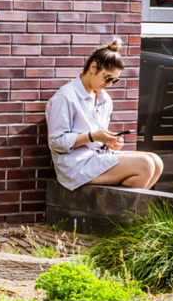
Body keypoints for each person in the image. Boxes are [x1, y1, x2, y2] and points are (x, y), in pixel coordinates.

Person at [45, 39, 163, 190]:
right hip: (76, 164)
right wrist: (92, 136)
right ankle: (124, 205)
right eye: (107, 78)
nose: (109, 84)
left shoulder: (105, 99)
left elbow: (99, 138)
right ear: (93, 67)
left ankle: (121, 205)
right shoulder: (66, 97)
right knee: (145, 165)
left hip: (99, 156)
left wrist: (109, 141)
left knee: (156, 162)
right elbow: (56, 142)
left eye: (114, 80)